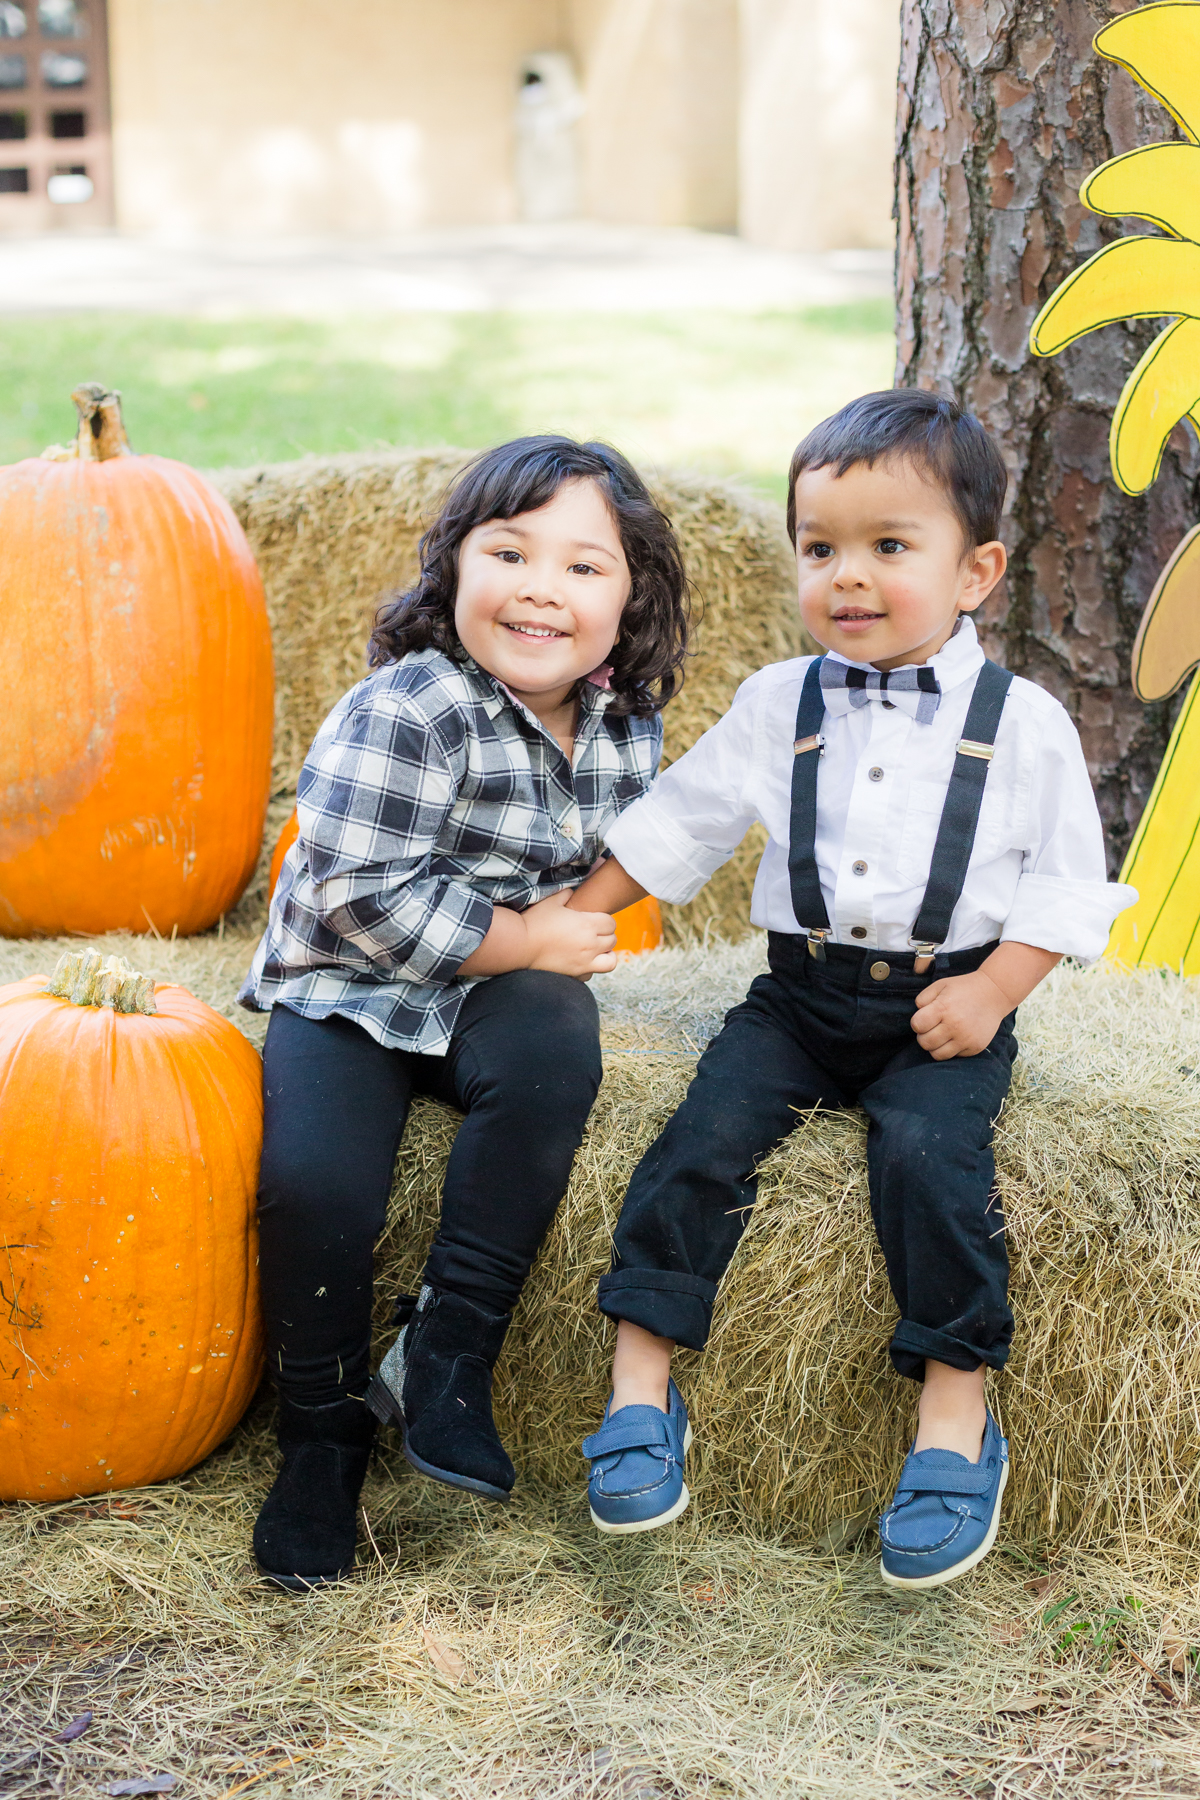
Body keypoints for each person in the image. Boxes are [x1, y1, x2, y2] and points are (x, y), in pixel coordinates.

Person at [569, 390, 1136, 1589]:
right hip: (799, 999)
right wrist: (571, 919)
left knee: (930, 1170)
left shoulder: (1023, 725)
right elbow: (688, 818)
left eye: (890, 547)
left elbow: (1069, 886)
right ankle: (638, 1390)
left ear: (975, 570)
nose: (849, 577)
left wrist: (995, 990)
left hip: (945, 1008)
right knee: (697, 1142)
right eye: (820, 548)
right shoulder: (782, 702)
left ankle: (953, 1409)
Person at [239, 436, 689, 1591]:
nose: (542, 586)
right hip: (348, 985)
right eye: (509, 551)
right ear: (454, 571)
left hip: (486, 993)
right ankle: (323, 1434)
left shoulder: (622, 725)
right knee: (317, 1183)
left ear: (631, 600)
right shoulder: (411, 708)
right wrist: (534, 938)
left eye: (586, 567)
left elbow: (639, 845)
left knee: (555, 1049)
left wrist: (566, 928)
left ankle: (448, 1351)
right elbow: (356, 894)